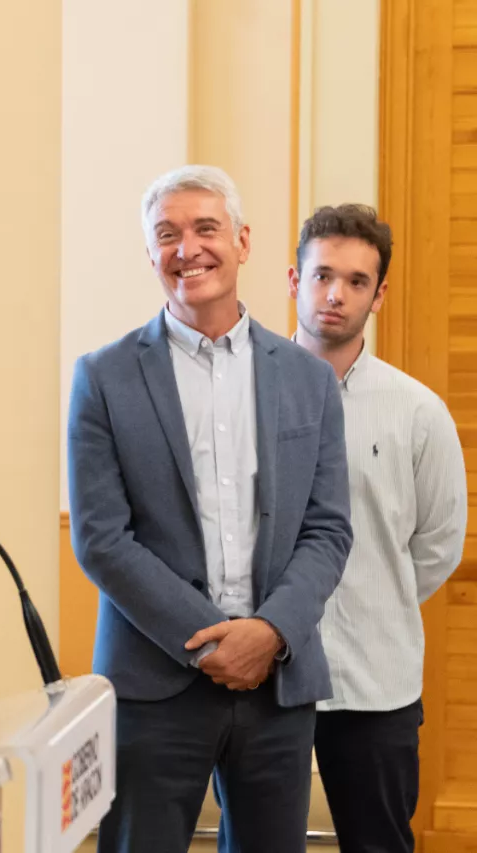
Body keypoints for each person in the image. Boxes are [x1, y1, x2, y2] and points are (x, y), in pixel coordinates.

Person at [67, 164, 354, 853]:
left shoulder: (308, 379)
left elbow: (328, 527)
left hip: (277, 679)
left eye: (205, 228)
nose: (186, 248)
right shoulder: (103, 377)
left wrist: (268, 631)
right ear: (150, 254)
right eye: (166, 234)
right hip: (154, 680)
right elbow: (103, 539)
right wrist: (216, 639)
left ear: (244, 241)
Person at [289, 204, 466, 853]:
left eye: (357, 281)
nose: (336, 294)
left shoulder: (418, 412)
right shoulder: (249, 397)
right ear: (294, 279)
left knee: (379, 845)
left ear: (379, 293)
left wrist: (374, 597)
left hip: (377, 685)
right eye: (322, 275)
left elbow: (439, 543)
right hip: (266, 680)